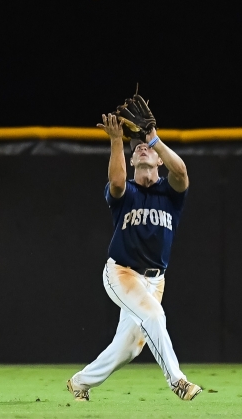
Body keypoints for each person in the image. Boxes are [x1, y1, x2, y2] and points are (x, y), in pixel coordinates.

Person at [66, 113, 202, 402]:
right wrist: (117, 141)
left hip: (156, 279)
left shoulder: (171, 192)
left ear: (159, 160)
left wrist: (154, 138)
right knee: (154, 316)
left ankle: (80, 382)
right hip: (122, 273)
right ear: (131, 161)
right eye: (137, 147)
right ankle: (178, 382)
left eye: (148, 148)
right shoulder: (126, 192)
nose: (142, 147)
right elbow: (115, 182)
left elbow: (182, 172)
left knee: (129, 347)